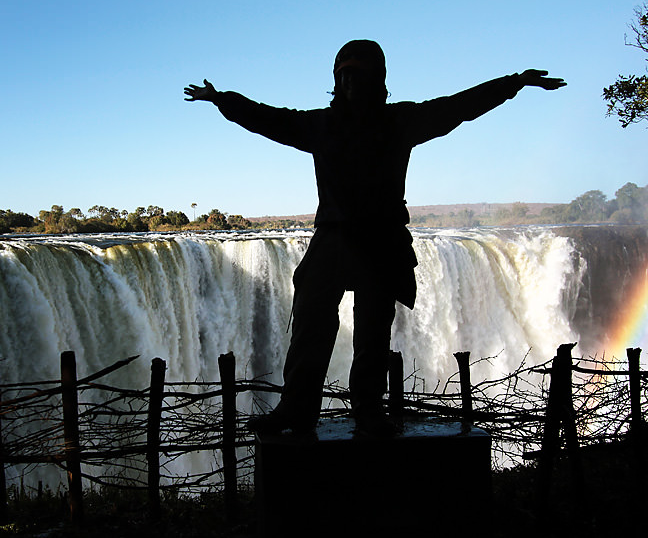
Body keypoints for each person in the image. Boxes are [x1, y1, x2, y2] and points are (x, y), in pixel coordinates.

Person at [185, 39, 565, 437]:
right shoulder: (323, 125)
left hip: (380, 241)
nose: (349, 80)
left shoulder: (398, 121)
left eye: (357, 72)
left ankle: (367, 411)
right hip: (337, 239)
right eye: (342, 73)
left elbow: (458, 107)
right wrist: (221, 100)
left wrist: (513, 83)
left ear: (377, 78)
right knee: (311, 325)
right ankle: (298, 408)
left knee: (372, 333)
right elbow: (267, 118)